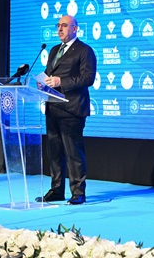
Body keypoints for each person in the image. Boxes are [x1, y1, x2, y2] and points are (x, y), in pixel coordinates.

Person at [36, 14, 97, 205]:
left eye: (64, 25)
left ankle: (78, 192)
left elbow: (88, 78)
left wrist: (61, 81)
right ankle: (56, 190)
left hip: (72, 109)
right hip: (53, 107)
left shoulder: (85, 51)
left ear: (75, 29)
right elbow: (50, 75)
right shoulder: (55, 50)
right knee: (55, 154)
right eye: (58, 25)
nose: (59, 29)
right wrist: (43, 82)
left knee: (73, 153)